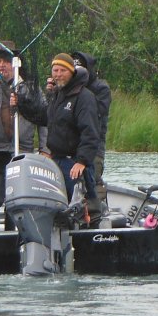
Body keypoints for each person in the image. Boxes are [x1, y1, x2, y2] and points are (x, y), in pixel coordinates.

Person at [13, 52, 104, 228]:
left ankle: (90, 233)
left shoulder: (85, 97)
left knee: (83, 205)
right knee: (62, 205)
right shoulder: (57, 95)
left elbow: (91, 132)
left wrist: (82, 161)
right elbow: (45, 119)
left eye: (63, 70)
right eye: (55, 70)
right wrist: (21, 104)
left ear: (72, 72)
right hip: (57, 160)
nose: (58, 74)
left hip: (76, 163)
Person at [0, 41, 44, 229]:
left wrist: (45, 149)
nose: (0, 65)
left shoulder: (29, 87)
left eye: (5, 60)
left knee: (17, 196)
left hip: (22, 149)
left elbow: (44, 119)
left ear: (15, 62)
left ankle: (16, 234)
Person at [72, 51, 111, 205]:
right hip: (72, 144)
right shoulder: (69, 89)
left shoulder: (101, 89)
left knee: (93, 178)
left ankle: (99, 211)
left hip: (94, 145)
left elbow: (98, 112)